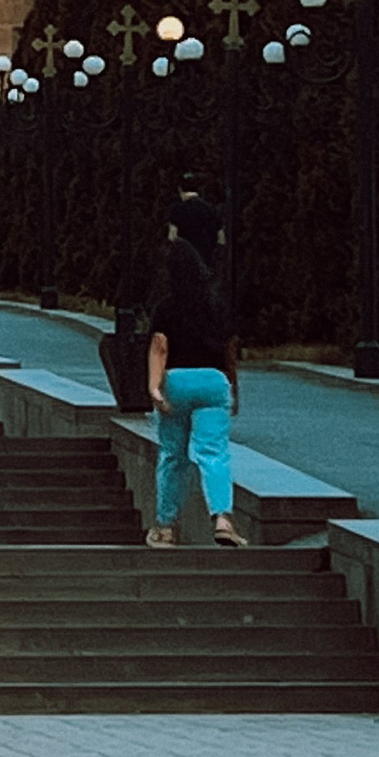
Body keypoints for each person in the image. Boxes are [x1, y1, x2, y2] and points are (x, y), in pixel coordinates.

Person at [145, 199, 244, 549]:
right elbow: (228, 348)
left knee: (173, 455)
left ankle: (166, 527)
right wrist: (234, 388)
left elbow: (160, 346)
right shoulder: (217, 301)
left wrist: (154, 389)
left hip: (177, 381)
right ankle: (223, 518)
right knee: (214, 452)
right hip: (214, 383)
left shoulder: (166, 304)